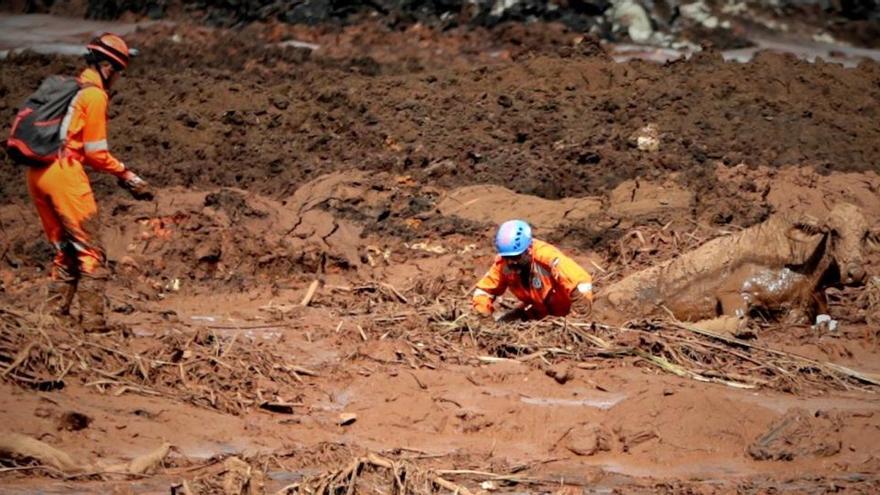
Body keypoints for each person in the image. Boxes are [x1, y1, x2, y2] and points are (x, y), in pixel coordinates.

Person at [26, 33, 154, 331]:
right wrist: (126, 174)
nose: (119, 79)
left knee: (64, 249)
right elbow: (97, 154)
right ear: (108, 68)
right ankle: (93, 326)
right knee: (91, 251)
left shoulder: (70, 90)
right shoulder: (94, 95)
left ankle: (52, 321)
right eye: (119, 72)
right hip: (64, 174)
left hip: (37, 173)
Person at [472, 220, 593, 321]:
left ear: (528, 249)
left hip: (565, 313)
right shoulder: (504, 264)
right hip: (538, 312)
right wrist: (483, 316)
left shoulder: (547, 257)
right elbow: (485, 290)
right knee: (504, 321)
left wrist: (576, 319)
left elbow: (581, 282)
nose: (510, 262)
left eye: (515, 257)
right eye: (506, 257)